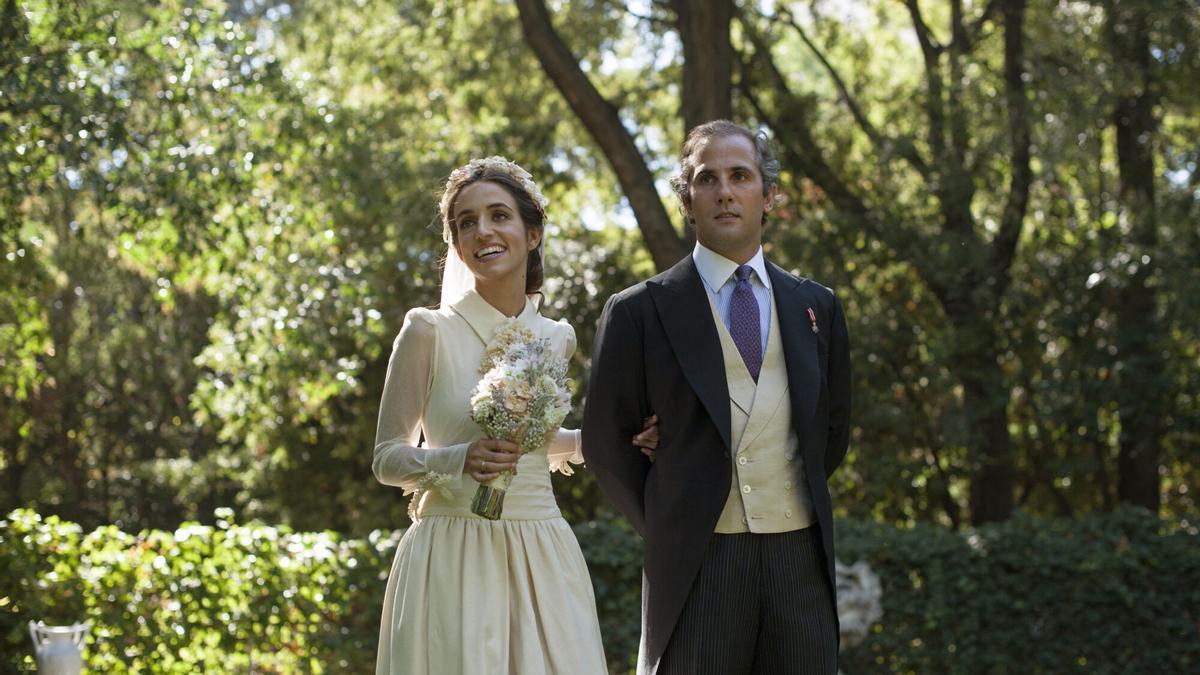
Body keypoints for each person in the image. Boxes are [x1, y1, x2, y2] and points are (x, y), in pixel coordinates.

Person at [582, 120, 851, 675]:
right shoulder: (638, 311)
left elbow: (834, 428)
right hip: (697, 563)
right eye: (707, 179)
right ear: (687, 200)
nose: (725, 191)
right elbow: (606, 445)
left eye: (740, 176)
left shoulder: (817, 306)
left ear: (768, 194)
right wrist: (671, 515)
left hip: (798, 558)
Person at [371, 156, 657, 674]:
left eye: (498, 215)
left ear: (533, 232)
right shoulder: (428, 332)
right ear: (456, 246)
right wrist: (460, 459)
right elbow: (387, 459)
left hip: (542, 548)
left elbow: (535, 442)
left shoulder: (556, 338)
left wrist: (616, 440)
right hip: (452, 552)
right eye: (466, 222)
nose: (483, 231)